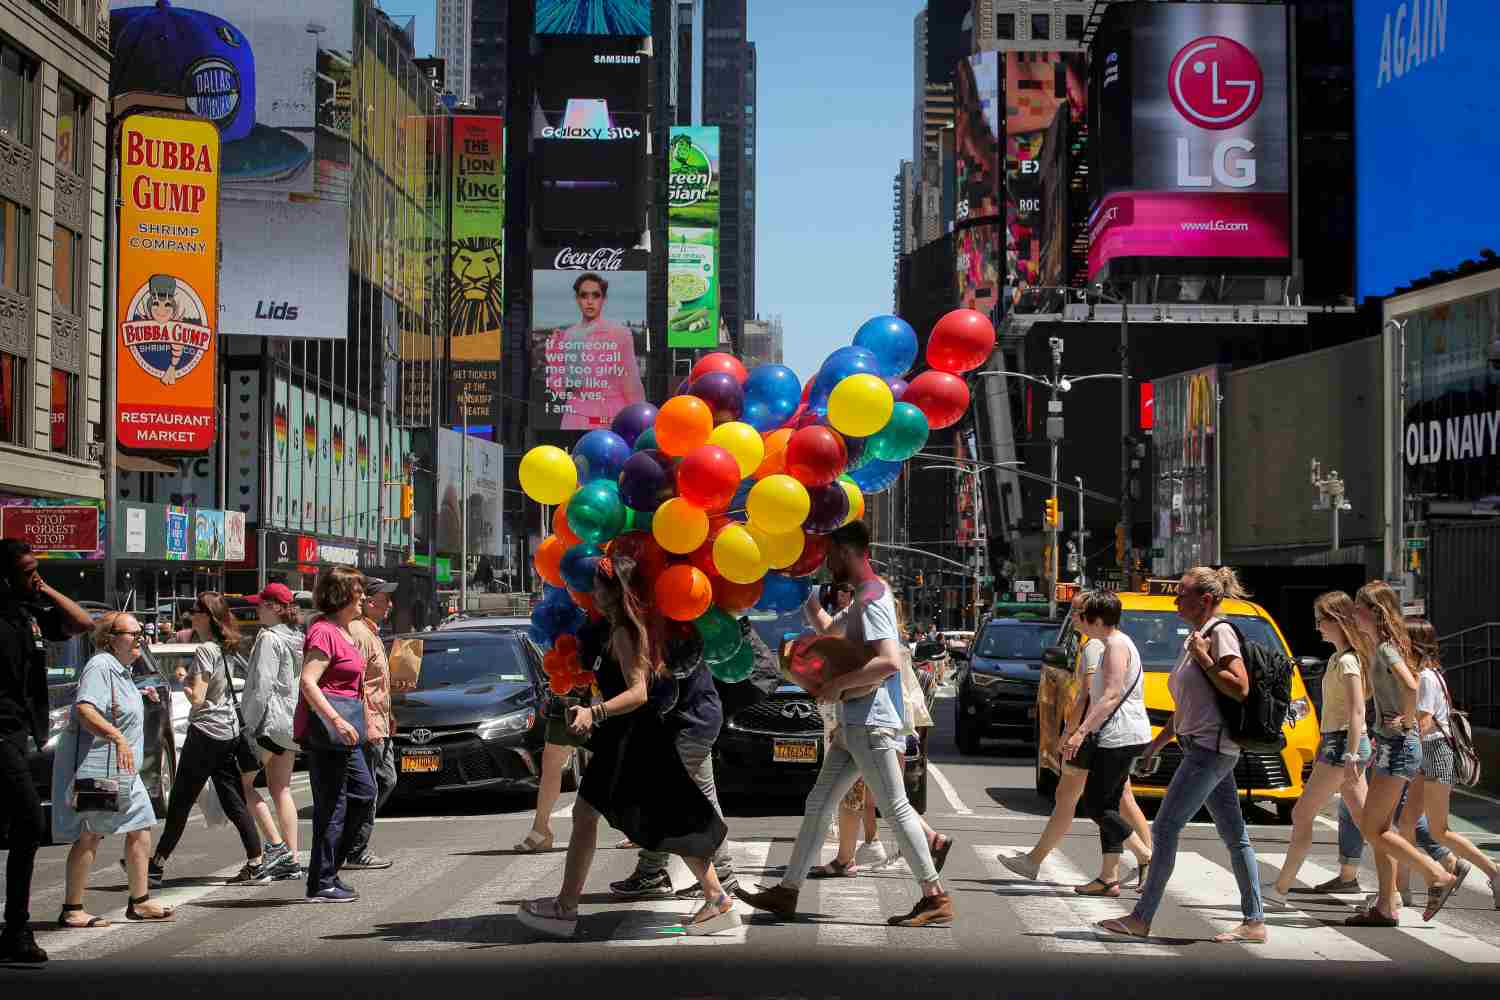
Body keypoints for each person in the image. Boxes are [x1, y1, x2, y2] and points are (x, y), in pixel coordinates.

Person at [737, 521, 953, 928]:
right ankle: (788, 891)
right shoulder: (862, 599)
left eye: (829, 554)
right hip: (855, 723)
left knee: (896, 807)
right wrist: (804, 597)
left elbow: (888, 661)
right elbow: (828, 633)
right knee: (819, 803)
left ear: (848, 551)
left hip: (869, 721)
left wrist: (836, 684)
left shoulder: (872, 597)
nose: (825, 563)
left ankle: (935, 895)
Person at [518, 555, 738, 938]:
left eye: (602, 586)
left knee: (604, 815)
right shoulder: (617, 628)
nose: (594, 592)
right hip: (628, 736)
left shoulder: (625, 632)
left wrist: (595, 712)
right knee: (650, 814)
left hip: (631, 737)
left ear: (618, 590)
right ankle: (716, 896)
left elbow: (638, 693)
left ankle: (566, 908)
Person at [1096, 566, 1266, 944]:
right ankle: (1254, 921)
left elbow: (1239, 688)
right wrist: (1156, 744)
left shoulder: (1218, 634)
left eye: (1183, 594)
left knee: (1166, 827)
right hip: (1202, 744)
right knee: (1234, 835)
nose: (1176, 600)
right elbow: (1192, 704)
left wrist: (1205, 659)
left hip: (1210, 750)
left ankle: (1142, 917)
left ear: (1205, 600)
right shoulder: (1199, 636)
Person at [1000, 592, 1152, 893]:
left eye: (1080, 614)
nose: (1075, 620)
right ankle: (1109, 877)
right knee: (1108, 802)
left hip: (1117, 734)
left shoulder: (1111, 647)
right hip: (1115, 734)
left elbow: (1107, 695)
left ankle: (1147, 856)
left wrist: (1078, 733)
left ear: (1094, 619)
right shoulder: (1108, 644)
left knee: (1099, 806)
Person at [0, 539, 94, 963]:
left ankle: (14, 929)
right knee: (29, 820)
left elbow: (82, 622)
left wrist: (45, 588)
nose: (33, 576)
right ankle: (16, 930)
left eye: (36, 568)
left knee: (22, 826)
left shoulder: (29, 612)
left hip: (20, 735)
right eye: (26, 570)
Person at [1345, 581, 1458, 926]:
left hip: (1397, 747)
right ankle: (1385, 905)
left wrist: (1406, 721)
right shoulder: (1387, 645)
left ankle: (1437, 873)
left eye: (1358, 608)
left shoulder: (1385, 649)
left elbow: (1411, 685)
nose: (1354, 614)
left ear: (1373, 612)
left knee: (1372, 827)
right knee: (1380, 828)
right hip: (1395, 746)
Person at [52, 613, 175, 928]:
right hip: (101, 765)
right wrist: (116, 736)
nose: (140, 640)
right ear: (109, 638)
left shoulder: (122, 671)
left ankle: (140, 901)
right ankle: (72, 908)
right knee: (90, 833)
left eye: (141, 634)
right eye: (133, 634)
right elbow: (84, 709)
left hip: (124, 771)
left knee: (141, 827)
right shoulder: (101, 666)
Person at [150, 592, 269, 886]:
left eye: (194, 611)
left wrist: (182, 681)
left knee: (180, 799)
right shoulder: (224, 647)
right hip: (227, 732)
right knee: (232, 798)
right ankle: (256, 860)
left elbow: (199, 699)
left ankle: (155, 865)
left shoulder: (205, 649)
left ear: (206, 616)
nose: (190, 615)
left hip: (205, 733)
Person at [1265, 592, 1373, 909]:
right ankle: (1421, 878)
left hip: (1342, 746)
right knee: (1370, 823)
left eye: (1320, 620)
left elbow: (1357, 711)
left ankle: (1280, 889)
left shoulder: (1349, 661)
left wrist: (1352, 754)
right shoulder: (1340, 659)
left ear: (1337, 620)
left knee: (1302, 812)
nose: (1317, 628)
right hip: (1341, 743)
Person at [1395, 621, 1495, 908]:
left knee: (1440, 830)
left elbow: (1423, 722)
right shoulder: (1430, 674)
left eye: (1403, 639)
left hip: (1436, 752)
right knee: (1406, 823)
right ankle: (1401, 891)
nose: (1398, 644)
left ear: (1413, 643)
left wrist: (1401, 729)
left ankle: (1495, 872)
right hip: (1428, 753)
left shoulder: (1426, 677)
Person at [297, 567, 377, 903]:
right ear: (341, 594)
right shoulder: (324, 632)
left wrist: (365, 723)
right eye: (358, 591)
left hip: (350, 728)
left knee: (364, 793)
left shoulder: (346, 632)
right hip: (331, 730)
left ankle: (329, 871)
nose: (364, 598)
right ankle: (321, 881)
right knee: (333, 806)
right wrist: (336, 720)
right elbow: (308, 681)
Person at [238, 582, 306, 882]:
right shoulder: (297, 638)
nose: (257, 609)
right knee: (282, 789)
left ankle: (277, 848)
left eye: (261, 604)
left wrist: (247, 723)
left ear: (276, 608)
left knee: (241, 785)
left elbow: (262, 686)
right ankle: (291, 858)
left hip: (267, 723)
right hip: (290, 723)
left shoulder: (268, 638)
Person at [344, 576, 401, 870]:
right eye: (385, 599)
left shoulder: (372, 632)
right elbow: (356, 686)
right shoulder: (358, 634)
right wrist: (367, 725)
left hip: (380, 721)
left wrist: (389, 714)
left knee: (385, 780)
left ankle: (352, 840)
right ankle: (354, 847)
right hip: (368, 726)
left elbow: (376, 683)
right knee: (371, 787)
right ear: (367, 602)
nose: (390, 605)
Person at [543, 272, 646, 431]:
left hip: (611, 412)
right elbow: (561, 387)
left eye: (595, 295)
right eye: (584, 296)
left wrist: (639, 419)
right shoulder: (569, 334)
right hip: (577, 413)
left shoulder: (619, 333)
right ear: (577, 299)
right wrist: (554, 352)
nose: (589, 301)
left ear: (603, 299)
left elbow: (631, 383)